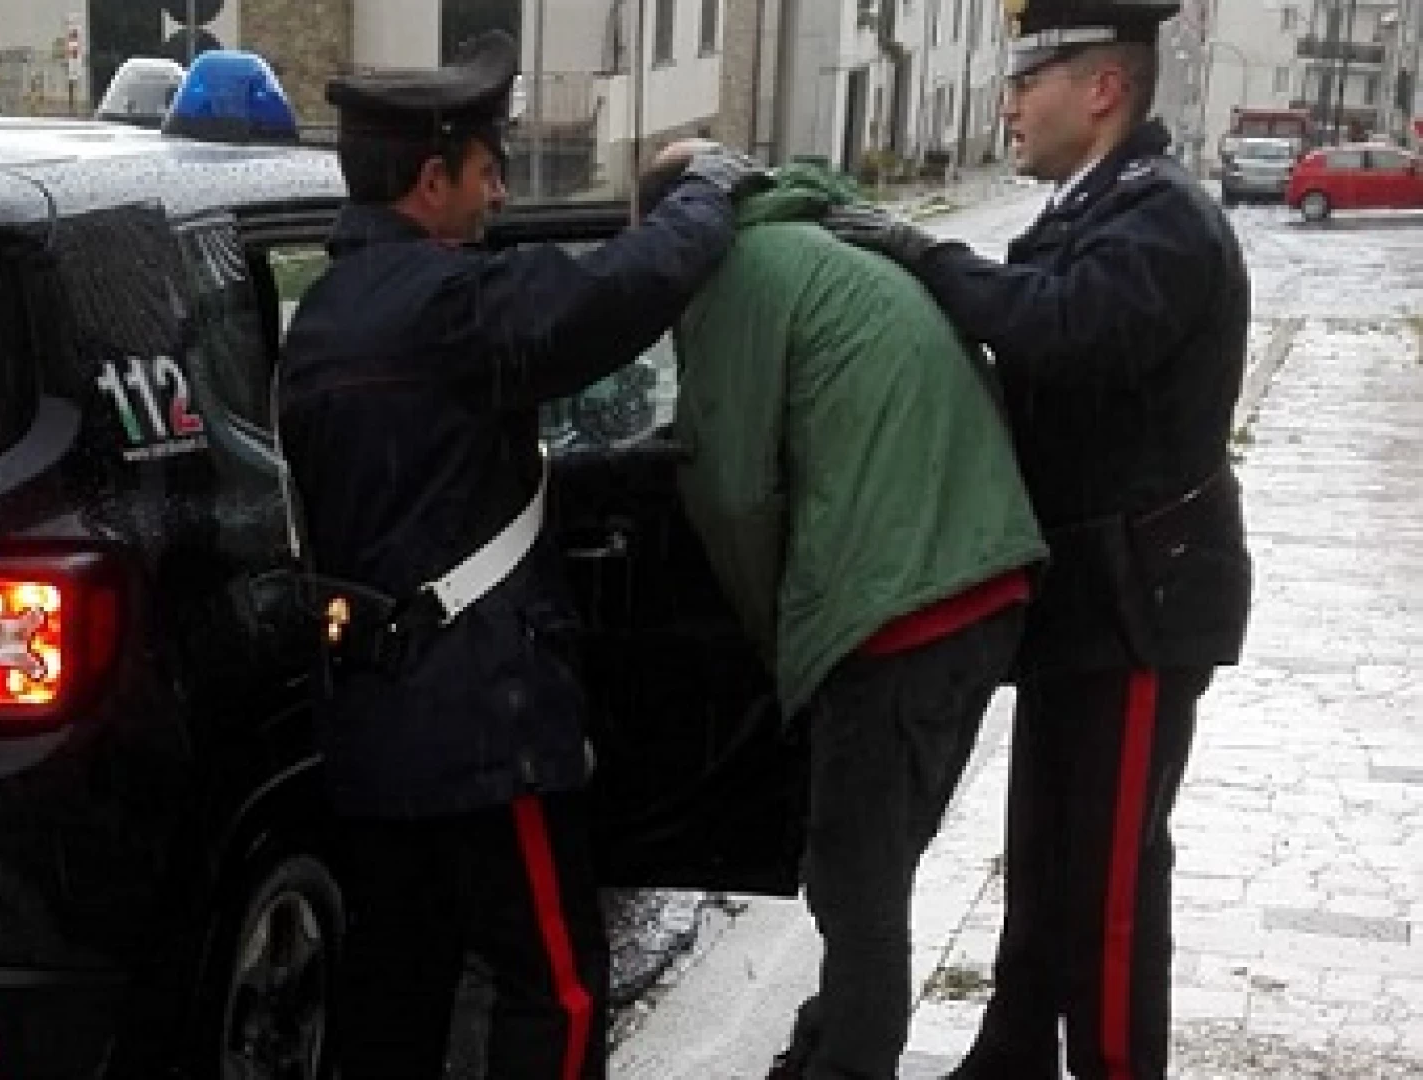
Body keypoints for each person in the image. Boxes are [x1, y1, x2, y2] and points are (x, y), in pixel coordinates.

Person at [275, 32, 764, 1080]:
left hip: (372, 724)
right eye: (487, 166)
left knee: (394, 988)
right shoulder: (451, 302)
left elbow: (420, 486)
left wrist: (604, 476)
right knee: (557, 989)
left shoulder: (322, 317)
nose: (499, 189)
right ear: (431, 177)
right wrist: (704, 197)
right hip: (486, 730)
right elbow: (613, 297)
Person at [821, 1, 1254, 1076]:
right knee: (1046, 853)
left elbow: (1058, 330)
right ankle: (1012, 1050)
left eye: (1031, 77)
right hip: (1085, 598)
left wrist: (925, 255)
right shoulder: (1092, 207)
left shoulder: (1161, 220)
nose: (1009, 100)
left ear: (1102, 87)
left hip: (1142, 600)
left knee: (1108, 880)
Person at [634, 143, 1047, 1080]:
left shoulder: (740, 276)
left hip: (899, 607)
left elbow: (734, 494)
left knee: (856, 881)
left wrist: (775, 639)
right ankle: (831, 1034)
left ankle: (850, 1062)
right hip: (987, 584)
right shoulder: (828, 247)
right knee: (875, 862)